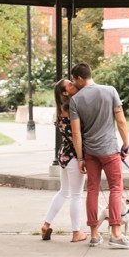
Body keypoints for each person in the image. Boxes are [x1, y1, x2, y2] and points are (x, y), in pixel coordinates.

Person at [69, 62, 129, 249]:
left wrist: (81, 158)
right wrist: (126, 143)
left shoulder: (75, 100)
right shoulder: (110, 91)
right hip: (109, 150)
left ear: (79, 78)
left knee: (92, 189)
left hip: (90, 152)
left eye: (73, 80)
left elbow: (76, 133)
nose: (73, 84)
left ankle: (94, 234)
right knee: (116, 188)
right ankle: (116, 235)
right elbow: (121, 120)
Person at [40, 78, 88, 242]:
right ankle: (76, 232)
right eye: (69, 84)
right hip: (74, 156)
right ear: (65, 92)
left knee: (64, 191)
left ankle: (46, 224)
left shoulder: (60, 109)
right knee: (76, 195)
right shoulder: (73, 108)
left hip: (63, 155)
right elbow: (77, 135)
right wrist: (82, 157)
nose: (73, 84)